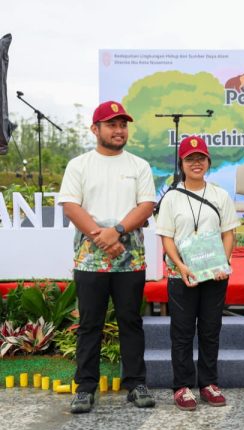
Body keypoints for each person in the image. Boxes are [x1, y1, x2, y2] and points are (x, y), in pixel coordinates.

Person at [58, 101, 156, 413]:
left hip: (130, 256)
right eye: (112, 125)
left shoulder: (138, 165)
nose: (119, 130)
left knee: (130, 320)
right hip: (90, 256)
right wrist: (103, 238)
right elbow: (72, 206)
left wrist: (116, 231)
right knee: (90, 323)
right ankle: (85, 388)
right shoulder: (80, 165)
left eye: (123, 125)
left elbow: (146, 205)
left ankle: (136, 384)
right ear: (95, 129)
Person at [156, 136, 239, 411]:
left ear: (208, 162)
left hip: (214, 276)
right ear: (181, 163)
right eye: (190, 159)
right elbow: (167, 237)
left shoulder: (219, 195)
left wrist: (222, 264)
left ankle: (208, 383)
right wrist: (180, 265)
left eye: (201, 158)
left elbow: (229, 233)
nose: (196, 163)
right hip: (183, 275)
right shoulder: (171, 197)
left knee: (210, 329)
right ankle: (182, 386)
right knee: (181, 331)